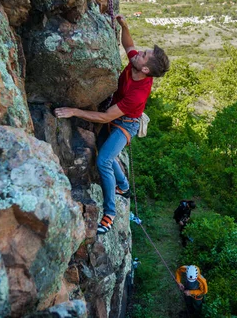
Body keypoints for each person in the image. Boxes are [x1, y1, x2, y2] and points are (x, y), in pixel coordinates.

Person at [55, 14, 170, 235]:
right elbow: (129, 44)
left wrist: (74, 111)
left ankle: (110, 213)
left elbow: (106, 117)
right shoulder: (137, 64)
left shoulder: (138, 93)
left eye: (144, 55)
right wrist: (124, 26)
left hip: (126, 124)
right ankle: (124, 185)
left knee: (104, 160)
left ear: (145, 69)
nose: (139, 53)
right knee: (106, 152)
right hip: (117, 116)